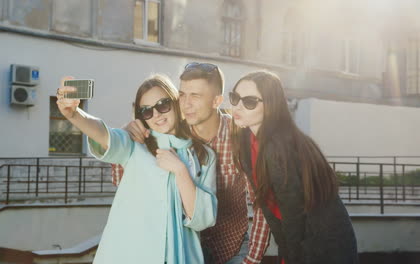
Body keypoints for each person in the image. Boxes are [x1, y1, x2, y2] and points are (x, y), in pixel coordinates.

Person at [116, 63, 271, 264]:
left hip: (232, 249)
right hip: (183, 251)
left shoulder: (240, 136)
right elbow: (124, 183)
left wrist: (253, 258)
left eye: (195, 96)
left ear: (217, 101)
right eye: (182, 95)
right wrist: (129, 138)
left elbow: (262, 202)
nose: (185, 104)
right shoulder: (171, 131)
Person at [56, 74, 218, 264]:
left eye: (162, 105)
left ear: (175, 102)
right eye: (147, 111)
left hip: (181, 255)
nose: (156, 114)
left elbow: (203, 219)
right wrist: (74, 114)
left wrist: (181, 171)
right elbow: (104, 134)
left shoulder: (204, 155)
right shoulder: (134, 144)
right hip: (131, 253)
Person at [230, 70, 359, 264]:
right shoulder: (247, 140)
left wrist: (290, 257)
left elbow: (293, 214)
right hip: (295, 241)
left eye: (249, 102)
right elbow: (269, 207)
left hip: (324, 245)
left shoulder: (280, 147)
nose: (238, 107)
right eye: (235, 98)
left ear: (271, 106)